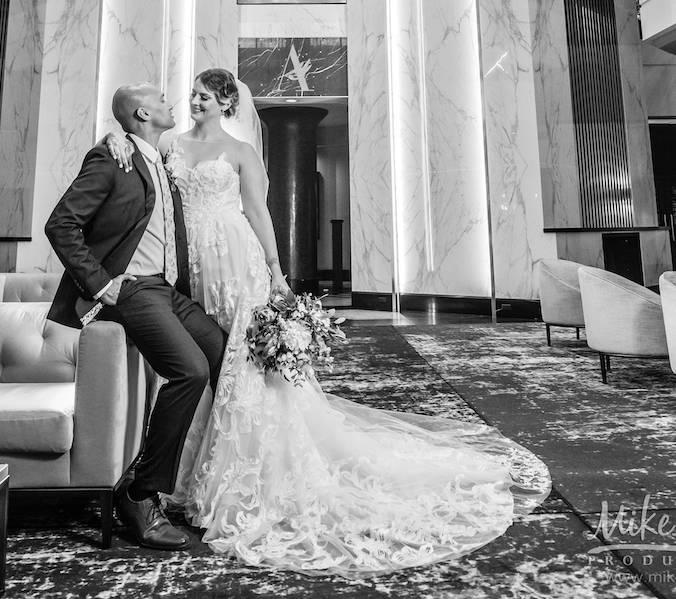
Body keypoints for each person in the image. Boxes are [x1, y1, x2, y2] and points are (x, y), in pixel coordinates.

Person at [106, 69, 551, 578]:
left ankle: (247, 474)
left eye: (204, 96)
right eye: (191, 95)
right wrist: (116, 137)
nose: (193, 102)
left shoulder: (242, 152)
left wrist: (274, 274)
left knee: (243, 366)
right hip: (190, 268)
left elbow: (258, 213)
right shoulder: (171, 147)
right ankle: (188, 469)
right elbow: (136, 152)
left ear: (227, 102)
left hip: (236, 261)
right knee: (205, 362)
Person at [45, 83, 228, 551]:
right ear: (143, 112)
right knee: (189, 370)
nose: (173, 103)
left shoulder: (154, 158)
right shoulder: (111, 158)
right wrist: (102, 285)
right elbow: (60, 224)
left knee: (223, 352)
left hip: (166, 290)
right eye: (164, 100)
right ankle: (139, 492)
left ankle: (208, 481)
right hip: (131, 289)